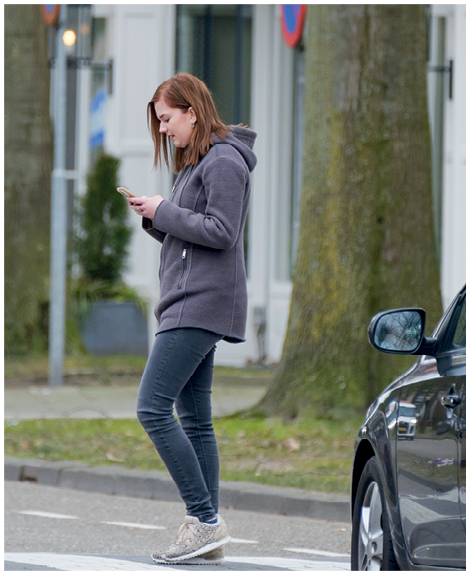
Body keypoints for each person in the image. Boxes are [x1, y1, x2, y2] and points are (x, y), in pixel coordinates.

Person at [127, 72, 257, 565]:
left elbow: (222, 232)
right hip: (191, 297)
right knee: (195, 420)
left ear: (192, 112)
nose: (163, 130)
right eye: (159, 122)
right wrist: (155, 216)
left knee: (152, 408)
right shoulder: (200, 161)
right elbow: (195, 237)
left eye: (166, 119)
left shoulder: (224, 162)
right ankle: (208, 529)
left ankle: (203, 519)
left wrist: (165, 210)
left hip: (197, 303)